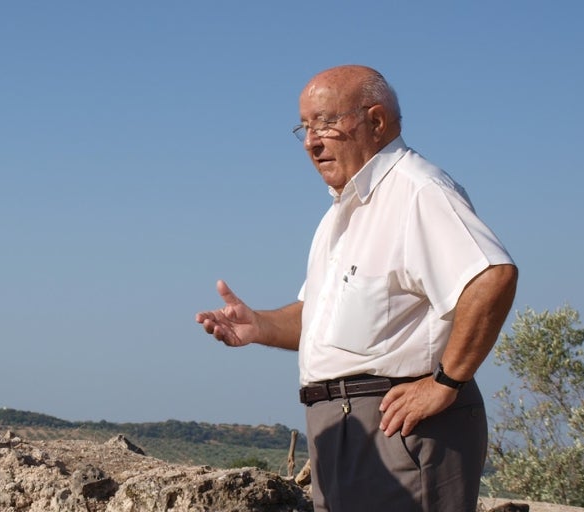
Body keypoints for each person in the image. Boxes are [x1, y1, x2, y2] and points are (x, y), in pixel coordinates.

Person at [195, 65, 518, 511]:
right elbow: (322, 319)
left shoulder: (417, 190)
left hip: (399, 432)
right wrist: (260, 325)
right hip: (341, 437)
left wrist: (446, 382)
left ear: (376, 121)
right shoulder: (340, 214)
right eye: (304, 127)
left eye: (325, 123)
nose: (311, 141)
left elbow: (492, 276)